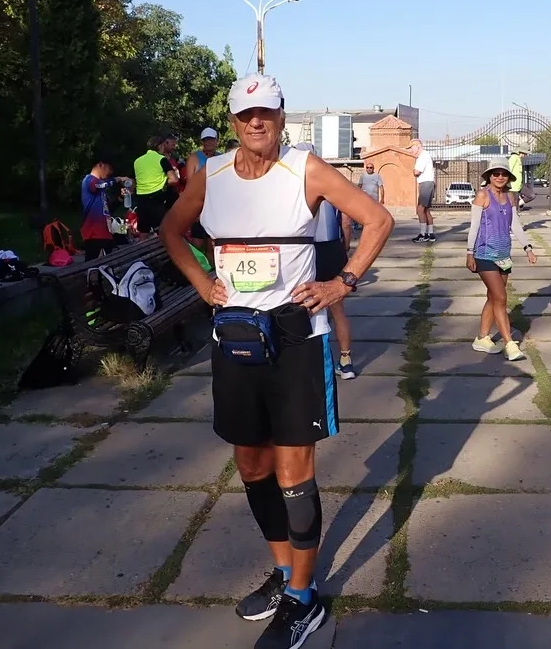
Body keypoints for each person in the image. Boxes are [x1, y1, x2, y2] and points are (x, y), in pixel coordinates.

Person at [159, 74, 393, 649]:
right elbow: (172, 230)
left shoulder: (306, 168)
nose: (256, 123)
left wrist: (343, 282)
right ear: (234, 120)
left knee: (293, 471)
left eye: (267, 113)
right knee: (251, 465)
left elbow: (377, 219)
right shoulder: (209, 175)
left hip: (294, 340)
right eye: (246, 115)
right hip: (234, 341)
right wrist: (200, 280)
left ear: (282, 117)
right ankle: (286, 570)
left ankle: (305, 599)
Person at [296, 143, 357, 381]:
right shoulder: (330, 180)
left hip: (306, 249)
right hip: (331, 247)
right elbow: (346, 220)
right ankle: (346, 360)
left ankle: (316, 363)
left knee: (307, 308)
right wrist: (345, 246)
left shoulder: (293, 183)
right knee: (337, 308)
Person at [467, 158, 536, 360]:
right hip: (483, 253)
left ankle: (482, 338)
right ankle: (509, 344)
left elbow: (515, 225)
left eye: (503, 174)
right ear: (489, 175)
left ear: (508, 177)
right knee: (501, 298)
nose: (499, 177)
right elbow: (474, 226)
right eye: (495, 173)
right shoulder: (482, 195)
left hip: (504, 254)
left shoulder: (510, 197)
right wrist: (470, 252)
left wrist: (528, 248)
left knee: (493, 297)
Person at [80, 159, 132, 261]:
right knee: (92, 266)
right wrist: (118, 179)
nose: (110, 172)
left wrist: (121, 198)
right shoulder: (88, 180)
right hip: (93, 233)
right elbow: (100, 184)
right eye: (110, 168)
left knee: (107, 267)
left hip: (106, 233)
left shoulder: (102, 192)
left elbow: (109, 209)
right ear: (101, 165)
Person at [186, 127, 222, 256]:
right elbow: (190, 185)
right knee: (198, 243)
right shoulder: (194, 158)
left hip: (216, 207)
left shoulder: (221, 158)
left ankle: (213, 273)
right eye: (206, 140)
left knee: (213, 244)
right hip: (200, 205)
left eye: (211, 140)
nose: (208, 143)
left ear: (216, 141)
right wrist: (193, 209)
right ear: (202, 142)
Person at [133, 136, 180, 234]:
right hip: (157, 197)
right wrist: (165, 183)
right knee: (162, 229)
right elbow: (174, 180)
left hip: (141, 198)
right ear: (160, 146)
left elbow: (135, 180)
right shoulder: (161, 159)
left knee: (143, 230)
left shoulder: (137, 161)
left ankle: (142, 249)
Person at [410, 139, 436, 243]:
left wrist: (413, 170)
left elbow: (416, 172)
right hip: (428, 183)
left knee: (420, 209)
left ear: (417, 146)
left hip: (425, 184)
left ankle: (423, 234)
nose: (411, 150)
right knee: (426, 210)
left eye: (412, 147)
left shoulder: (422, 156)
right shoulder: (425, 155)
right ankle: (430, 234)